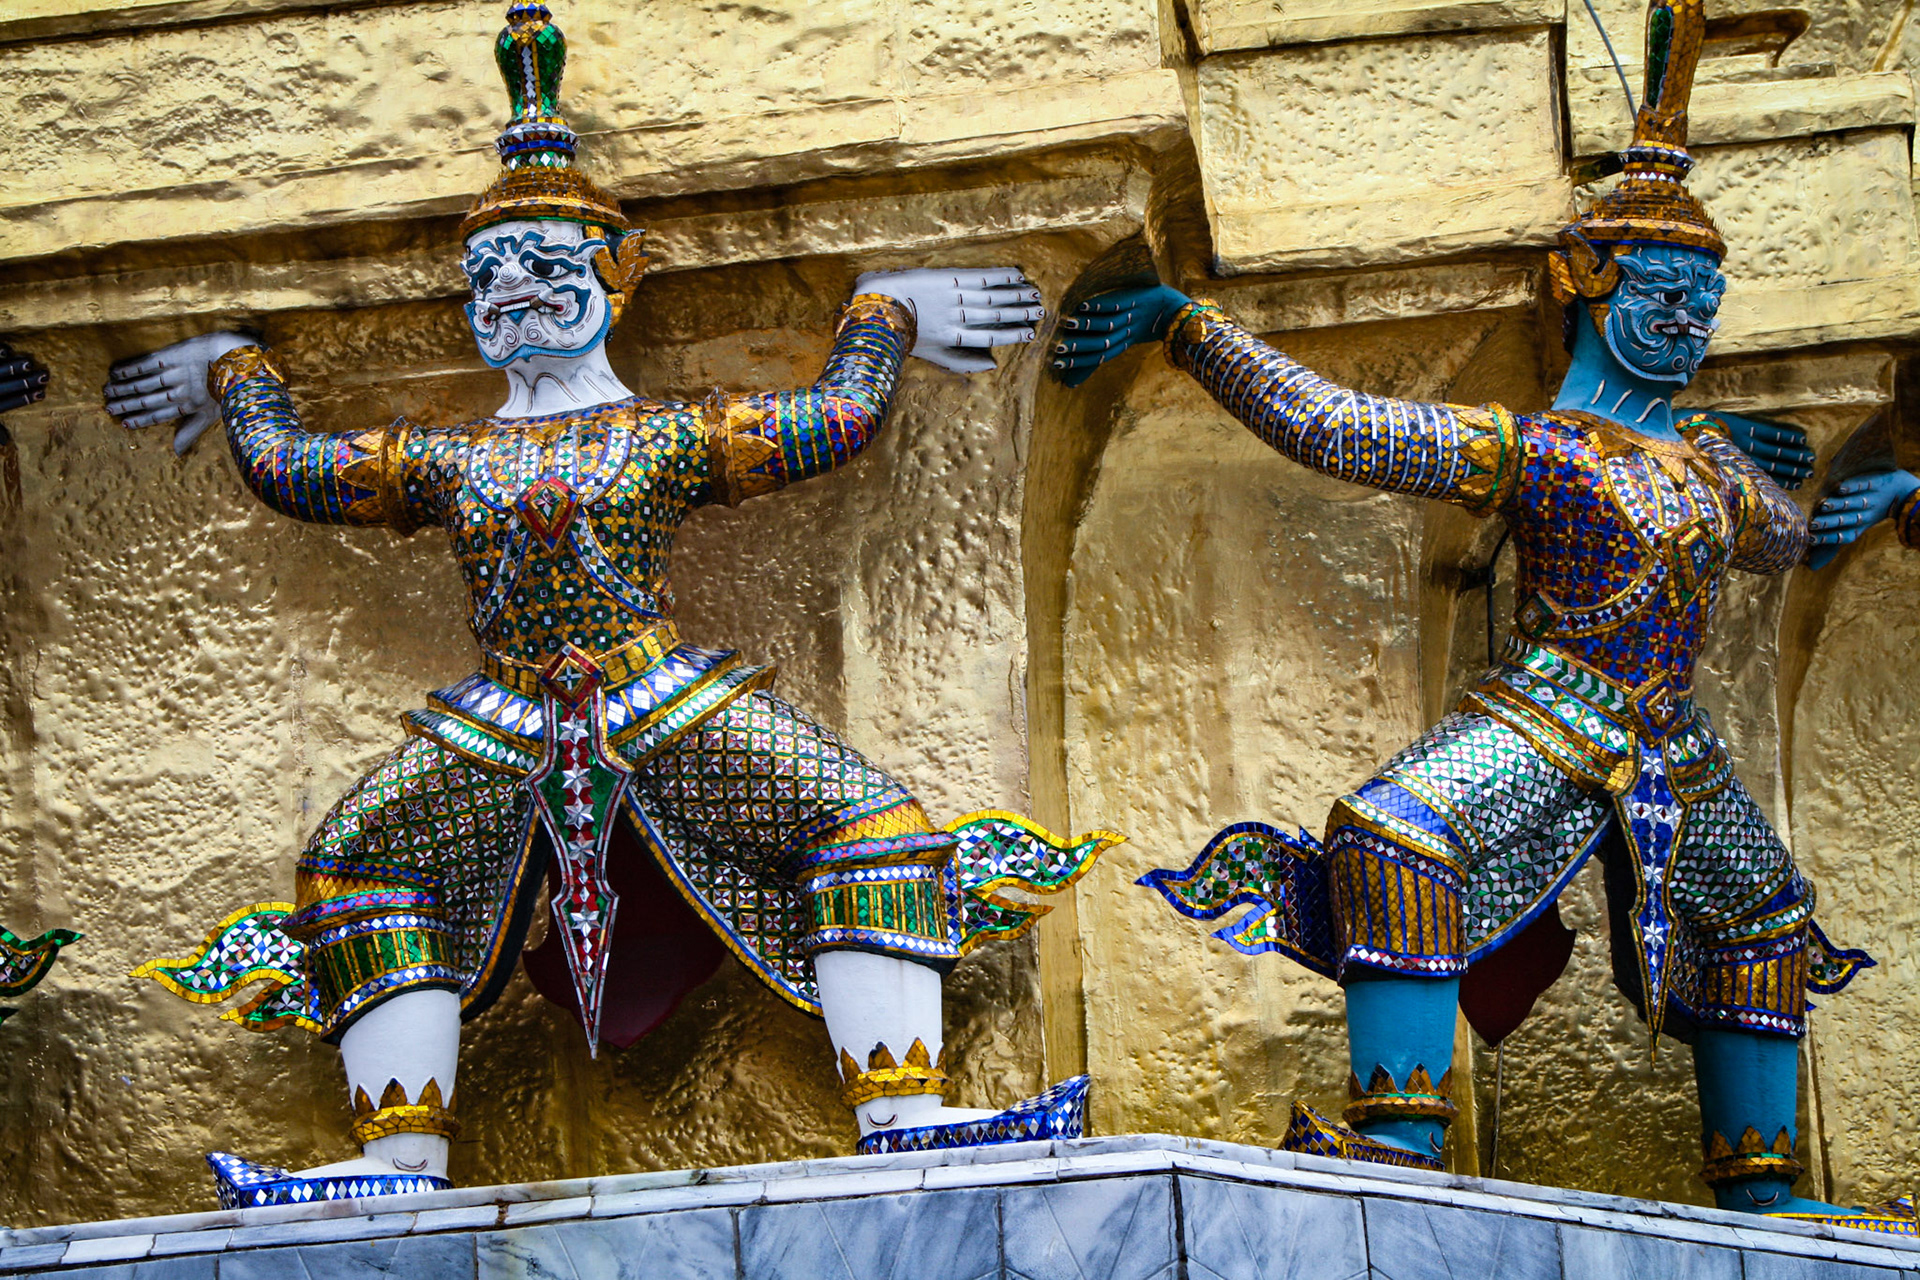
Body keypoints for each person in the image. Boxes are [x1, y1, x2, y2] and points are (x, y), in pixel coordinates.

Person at [113, 3, 1116, 1208]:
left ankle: (904, 1111)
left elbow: (832, 423)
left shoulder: (663, 435)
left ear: (612, 276)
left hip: (655, 691)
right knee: (354, 859)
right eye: (489, 275)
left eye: (544, 268)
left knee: (870, 825)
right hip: (500, 713)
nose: (514, 293)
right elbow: (289, 473)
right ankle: (398, 1161)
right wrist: (237, 374)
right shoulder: (446, 457)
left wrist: (881, 313)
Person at [1056, 0, 1900, 1231]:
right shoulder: (1539, 450)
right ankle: (1400, 1137)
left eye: (1706, 294)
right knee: (1394, 836)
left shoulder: (1710, 466)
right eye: (1663, 284)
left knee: (1766, 910)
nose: (1690, 314)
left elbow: (1783, 533)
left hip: (1672, 738)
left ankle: (1765, 1186)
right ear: (1588, 284)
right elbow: (1341, 425)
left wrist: (1864, 487)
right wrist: (1187, 326)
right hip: (1548, 714)